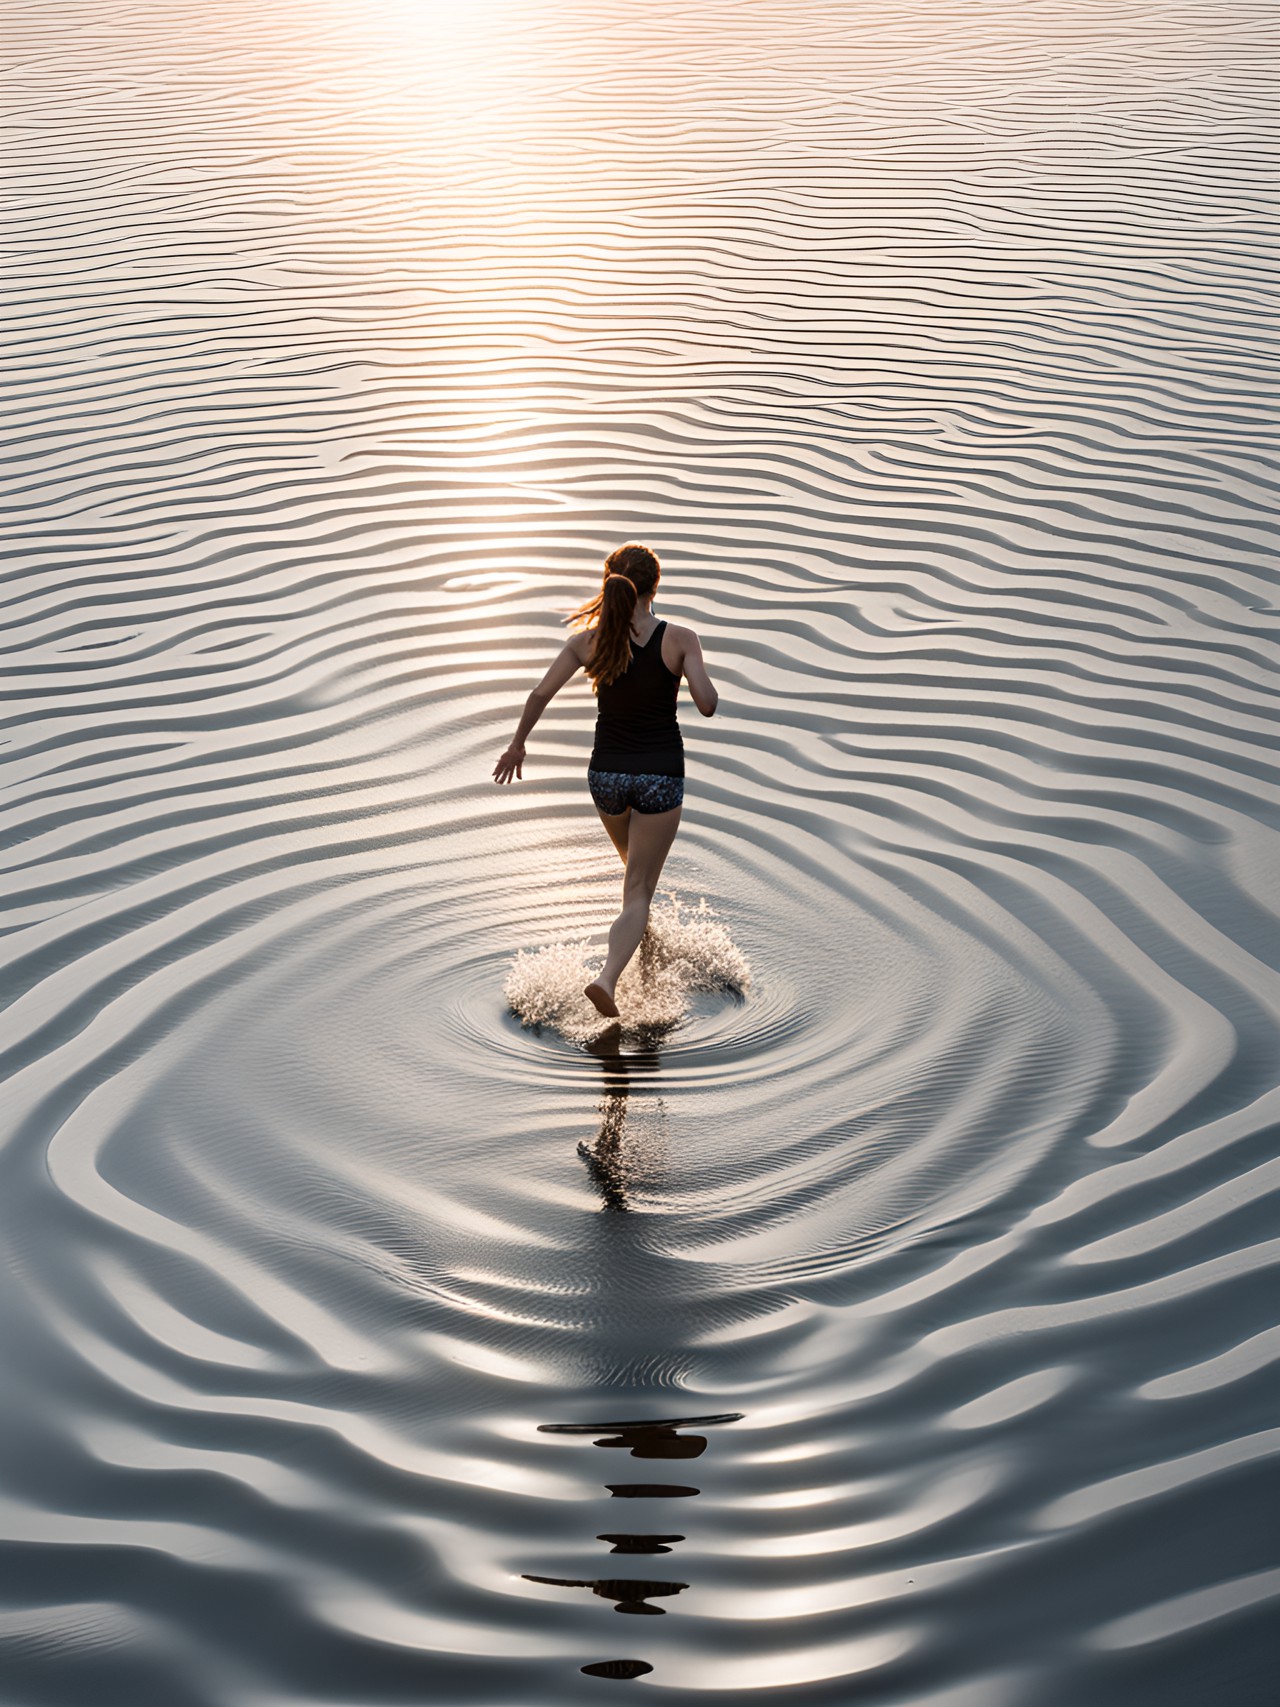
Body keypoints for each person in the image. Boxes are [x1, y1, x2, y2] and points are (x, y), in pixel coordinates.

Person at [493, 543, 718, 1017]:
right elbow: (707, 703)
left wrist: (518, 745)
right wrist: (696, 670)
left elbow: (539, 694)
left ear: (610, 581)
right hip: (659, 777)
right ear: (656, 585)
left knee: (635, 879)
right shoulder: (680, 638)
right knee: (638, 887)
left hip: (606, 777)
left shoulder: (589, 642)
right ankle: (608, 978)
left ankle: (643, 950)